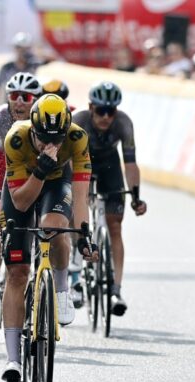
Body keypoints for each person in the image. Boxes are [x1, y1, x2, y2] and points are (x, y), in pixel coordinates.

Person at [0, 94, 97, 382]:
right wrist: (40, 167)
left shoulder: (77, 138)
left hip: (58, 184)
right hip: (23, 187)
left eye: (56, 138)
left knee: (54, 227)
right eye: (42, 137)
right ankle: (13, 360)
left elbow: (80, 194)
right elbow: (21, 201)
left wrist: (82, 234)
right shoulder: (16, 138)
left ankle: (62, 290)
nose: (49, 144)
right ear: (33, 128)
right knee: (17, 273)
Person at [72, 81, 147, 316]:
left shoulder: (123, 123)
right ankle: (76, 277)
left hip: (109, 167)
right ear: (90, 107)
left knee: (115, 226)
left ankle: (116, 289)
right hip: (80, 164)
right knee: (78, 220)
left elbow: (131, 164)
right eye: (101, 110)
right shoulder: (78, 121)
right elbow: (66, 161)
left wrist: (135, 196)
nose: (106, 117)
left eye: (111, 111)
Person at [0, 72, 42, 328]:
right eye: (14, 96)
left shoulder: (42, 119)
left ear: (35, 100)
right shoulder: (1, 115)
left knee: (37, 225)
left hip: (29, 165)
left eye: (25, 98)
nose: (19, 102)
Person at [0, 32, 45, 104]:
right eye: (21, 48)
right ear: (16, 49)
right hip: (10, 106)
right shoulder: (7, 68)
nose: (23, 52)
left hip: (28, 106)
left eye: (26, 49)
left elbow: (50, 60)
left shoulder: (34, 65)